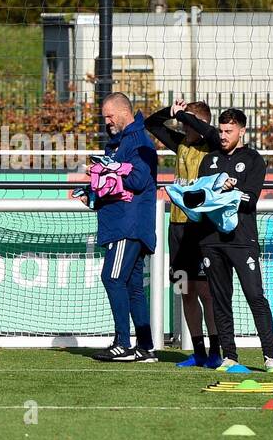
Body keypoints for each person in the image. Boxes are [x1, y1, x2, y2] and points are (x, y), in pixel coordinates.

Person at [181, 107, 273, 373]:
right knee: (220, 299)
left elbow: (250, 200)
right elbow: (200, 198)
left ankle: (270, 358)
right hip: (211, 241)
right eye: (221, 131)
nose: (223, 136)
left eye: (229, 131)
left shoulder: (253, 160)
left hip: (242, 240)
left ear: (242, 131)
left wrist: (231, 190)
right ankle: (230, 356)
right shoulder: (209, 160)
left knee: (255, 297)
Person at [82, 92, 158, 363]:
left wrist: (110, 174)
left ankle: (123, 343)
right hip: (123, 222)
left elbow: (137, 179)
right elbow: (112, 178)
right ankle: (146, 347)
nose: (107, 121)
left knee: (112, 278)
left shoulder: (137, 141)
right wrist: (92, 190)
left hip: (129, 224)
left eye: (109, 115)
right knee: (133, 286)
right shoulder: (119, 142)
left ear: (124, 112)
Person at [146, 98, 222, 368]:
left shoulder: (213, 146)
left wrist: (189, 117)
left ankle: (216, 351)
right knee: (184, 290)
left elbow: (209, 131)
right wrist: (171, 112)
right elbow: (151, 123)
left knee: (206, 291)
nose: (182, 125)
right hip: (177, 230)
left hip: (201, 229)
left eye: (186, 121)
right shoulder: (181, 144)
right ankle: (199, 352)